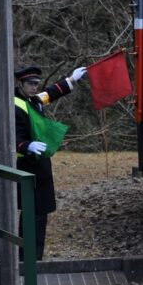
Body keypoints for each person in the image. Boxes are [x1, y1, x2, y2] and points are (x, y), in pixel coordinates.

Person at [14, 64, 87, 260]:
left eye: (36, 83)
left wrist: (71, 80)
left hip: (41, 166)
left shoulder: (33, 100)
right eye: (30, 83)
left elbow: (51, 93)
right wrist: (25, 146)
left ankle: (35, 256)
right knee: (31, 214)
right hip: (28, 166)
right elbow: (13, 135)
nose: (35, 87)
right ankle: (27, 257)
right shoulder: (15, 105)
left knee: (41, 213)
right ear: (20, 84)